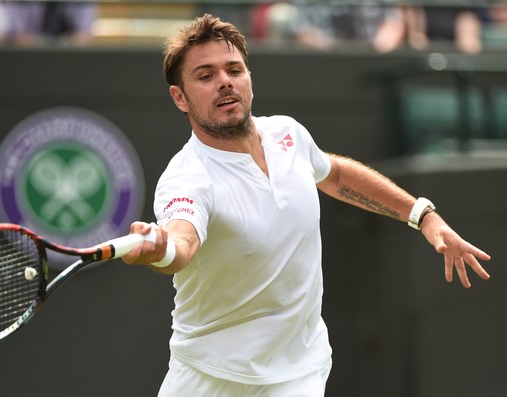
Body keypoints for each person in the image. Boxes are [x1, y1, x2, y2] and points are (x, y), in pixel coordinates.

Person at [121, 14, 492, 396]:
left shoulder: (288, 134)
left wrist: (423, 215)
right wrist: (161, 248)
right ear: (179, 97)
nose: (224, 82)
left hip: (299, 371)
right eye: (205, 75)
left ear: (249, 77)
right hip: (210, 377)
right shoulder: (186, 177)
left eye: (234, 69)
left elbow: (336, 175)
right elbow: (182, 243)